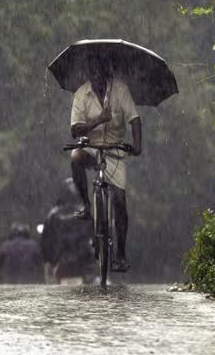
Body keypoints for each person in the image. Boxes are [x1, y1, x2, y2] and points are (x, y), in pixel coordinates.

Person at [69, 53, 141, 272]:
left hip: (115, 150)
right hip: (91, 147)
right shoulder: (82, 93)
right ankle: (86, 205)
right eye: (93, 74)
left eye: (100, 73)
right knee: (75, 157)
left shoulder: (120, 91)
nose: (97, 78)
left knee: (119, 200)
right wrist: (98, 120)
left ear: (107, 73)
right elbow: (75, 130)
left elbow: (135, 119)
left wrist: (137, 145)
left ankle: (120, 254)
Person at [40, 178, 95, 284]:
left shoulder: (53, 215)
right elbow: (95, 238)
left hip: (60, 263)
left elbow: (45, 243)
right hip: (82, 264)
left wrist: (48, 261)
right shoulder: (87, 214)